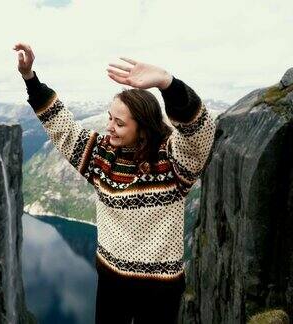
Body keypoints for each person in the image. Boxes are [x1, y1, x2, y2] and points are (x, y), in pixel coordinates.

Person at [13, 43, 216, 324]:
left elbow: (200, 133)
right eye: (110, 118)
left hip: (160, 290)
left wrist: (167, 83)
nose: (109, 127)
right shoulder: (102, 157)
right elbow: (63, 128)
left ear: (143, 127)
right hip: (111, 282)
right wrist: (29, 78)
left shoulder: (172, 162)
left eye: (119, 123)